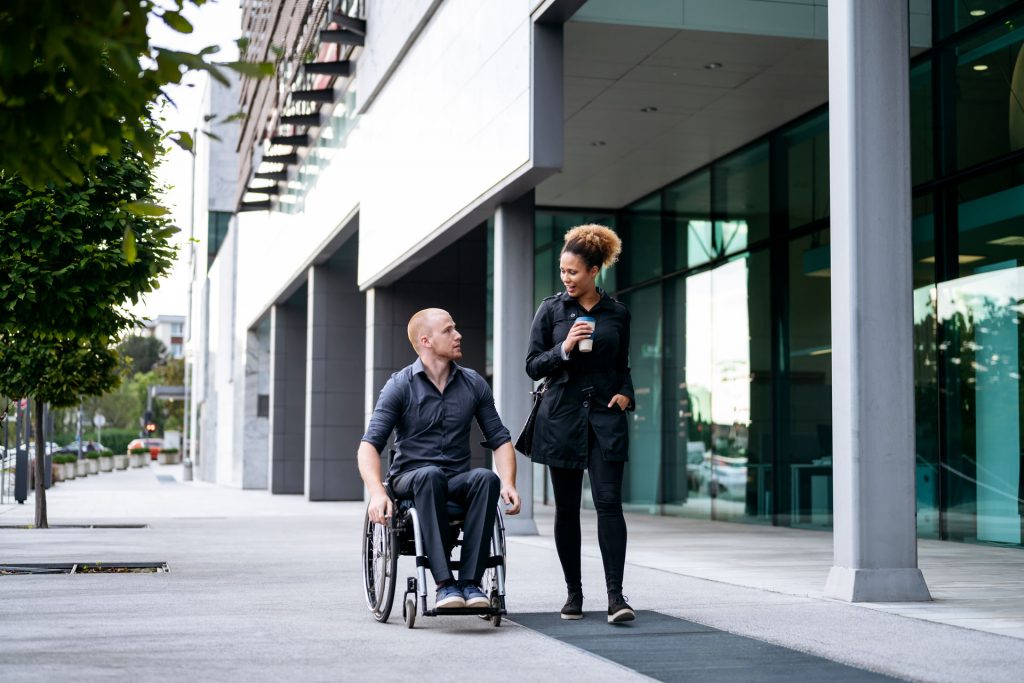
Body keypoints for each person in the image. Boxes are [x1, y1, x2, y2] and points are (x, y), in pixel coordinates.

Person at [358, 308, 521, 610]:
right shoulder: (400, 385)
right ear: (426, 341)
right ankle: (445, 585)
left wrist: (508, 482)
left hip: (455, 479)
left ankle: (470, 585)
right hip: (410, 480)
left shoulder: (473, 384)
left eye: (455, 328)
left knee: (486, 478)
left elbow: (499, 438)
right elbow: (369, 445)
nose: (458, 335)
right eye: (448, 330)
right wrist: (377, 493)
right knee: (429, 475)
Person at [525, 224, 636, 624]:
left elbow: (622, 365)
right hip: (562, 420)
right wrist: (564, 347)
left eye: (573, 272)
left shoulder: (617, 313)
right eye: (562, 271)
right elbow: (533, 365)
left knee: (609, 503)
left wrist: (626, 392)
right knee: (567, 509)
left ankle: (616, 597)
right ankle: (574, 594)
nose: (566, 279)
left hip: (606, 419)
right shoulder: (551, 310)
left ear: (594, 271)